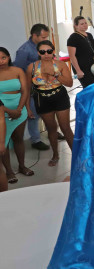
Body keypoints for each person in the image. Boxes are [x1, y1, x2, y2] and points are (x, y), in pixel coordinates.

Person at [26, 40, 74, 167]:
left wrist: (55, 74)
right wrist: (27, 107)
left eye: (49, 51)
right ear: (38, 52)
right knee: (51, 128)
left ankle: (77, 154)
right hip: (42, 99)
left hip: (60, 96)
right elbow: (26, 88)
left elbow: (69, 83)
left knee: (65, 128)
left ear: (53, 51)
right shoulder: (32, 67)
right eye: (42, 51)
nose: (46, 54)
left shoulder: (60, 65)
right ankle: (55, 155)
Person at [13, 23, 50, 151]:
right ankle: (35, 139)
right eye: (43, 37)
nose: (46, 40)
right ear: (34, 35)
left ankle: (51, 132)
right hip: (32, 87)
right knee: (33, 113)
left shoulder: (44, 47)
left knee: (48, 110)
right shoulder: (24, 50)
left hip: (46, 85)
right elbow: (18, 70)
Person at [0, 47, 34, 187]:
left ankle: (22, 166)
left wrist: (20, 109)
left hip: (20, 110)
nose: (1, 61)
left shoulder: (18, 71)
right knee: (4, 142)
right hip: (2, 111)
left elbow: (25, 91)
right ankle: (8, 171)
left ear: (8, 57)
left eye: (3, 57)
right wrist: (8, 111)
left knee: (18, 139)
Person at [67, 16, 94, 88]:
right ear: (76, 26)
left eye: (85, 23)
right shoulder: (73, 37)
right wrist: (78, 70)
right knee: (90, 88)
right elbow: (72, 56)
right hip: (82, 67)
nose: (85, 25)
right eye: (82, 24)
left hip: (93, 65)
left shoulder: (89, 35)